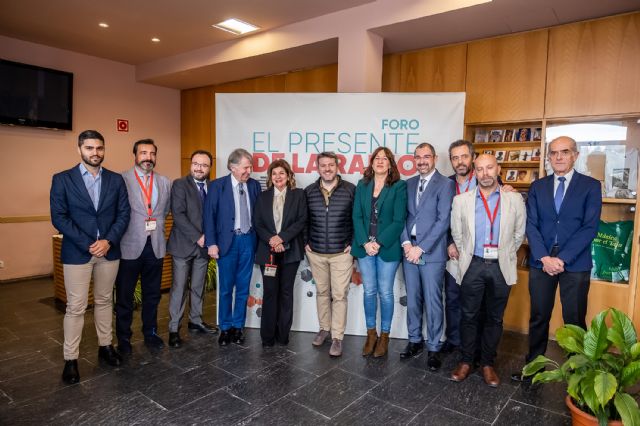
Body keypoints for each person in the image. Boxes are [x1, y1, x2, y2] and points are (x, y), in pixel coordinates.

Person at [512, 136, 602, 382]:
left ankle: (580, 374)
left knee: (574, 318)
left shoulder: (591, 186)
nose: (558, 157)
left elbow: (589, 227)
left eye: (564, 152)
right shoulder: (538, 186)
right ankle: (533, 367)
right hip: (541, 262)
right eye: (553, 153)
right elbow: (531, 224)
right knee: (539, 315)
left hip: (575, 263)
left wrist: (561, 259)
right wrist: (543, 256)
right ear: (548, 157)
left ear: (575, 155)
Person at [50, 130, 130, 384]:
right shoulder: (62, 179)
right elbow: (59, 217)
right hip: (77, 252)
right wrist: (89, 244)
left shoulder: (116, 180)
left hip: (109, 251)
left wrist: (108, 241)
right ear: (79, 150)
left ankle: (106, 346)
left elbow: (124, 214)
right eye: (90, 148)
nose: (95, 153)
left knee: (105, 300)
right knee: (76, 307)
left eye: (99, 148)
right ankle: (70, 359)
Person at [449, 154, 526, 387]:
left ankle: (487, 363)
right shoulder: (462, 200)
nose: (485, 173)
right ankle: (466, 361)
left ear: (498, 169)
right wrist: (468, 255)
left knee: (494, 317)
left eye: (489, 168)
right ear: (475, 171)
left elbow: (518, 234)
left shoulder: (514, 199)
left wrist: (505, 253)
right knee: (469, 315)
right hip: (472, 264)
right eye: (480, 169)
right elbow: (458, 233)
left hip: (500, 266)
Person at [399, 143, 454, 370]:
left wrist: (420, 248)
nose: (422, 161)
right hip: (408, 251)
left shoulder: (446, 184)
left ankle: (433, 347)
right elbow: (400, 216)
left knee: (432, 301)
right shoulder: (408, 184)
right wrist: (405, 244)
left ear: (435, 158)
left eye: (426, 156)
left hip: (430, 253)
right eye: (418, 157)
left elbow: (443, 221)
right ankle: (414, 341)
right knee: (413, 299)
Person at [115, 139, 171, 353]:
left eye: (152, 153)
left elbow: (163, 211)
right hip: (129, 245)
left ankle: (151, 332)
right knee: (125, 295)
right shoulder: (121, 179)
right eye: (143, 153)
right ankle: (124, 338)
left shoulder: (165, 182)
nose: (148, 157)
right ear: (135, 155)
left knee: (152, 294)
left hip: (155, 245)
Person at [351, 147, 407, 358]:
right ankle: (370, 334)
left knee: (385, 292)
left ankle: (385, 336)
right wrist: (365, 242)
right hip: (364, 248)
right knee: (369, 292)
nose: (381, 161)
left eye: (385, 159)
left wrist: (379, 243)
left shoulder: (399, 186)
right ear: (372, 162)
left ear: (391, 164)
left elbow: (398, 220)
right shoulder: (362, 185)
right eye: (377, 158)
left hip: (387, 248)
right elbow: (356, 216)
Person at [204, 148, 261, 346]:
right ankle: (225, 328)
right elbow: (209, 217)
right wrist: (211, 243)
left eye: (250, 167)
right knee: (226, 289)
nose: (249, 171)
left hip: (248, 240)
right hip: (226, 243)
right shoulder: (217, 186)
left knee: (243, 288)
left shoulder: (254, 186)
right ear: (232, 167)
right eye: (246, 167)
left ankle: (238, 327)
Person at [305, 152, 355, 357]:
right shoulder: (308, 191)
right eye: (323, 165)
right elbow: (303, 219)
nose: (327, 169)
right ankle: (324, 328)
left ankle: (337, 337)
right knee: (322, 293)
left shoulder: (351, 190)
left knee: (340, 295)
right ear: (318, 168)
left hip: (341, 253)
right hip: (315, 252)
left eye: (331, 165)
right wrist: (305, 241)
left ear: (337, 167)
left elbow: (357, 218)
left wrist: (352, 242)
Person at [166, 150, 218, 349]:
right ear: (191, 164)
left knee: (198, 287)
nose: (199, 168)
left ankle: (195, 321)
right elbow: (178, 215)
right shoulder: (180, 184)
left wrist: (210, 240)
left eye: (204, 165)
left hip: (204, 249)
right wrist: (199, 237)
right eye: (196, 163)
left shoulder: (213, 187)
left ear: (209, 167)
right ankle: (173, 329)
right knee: (179, 289)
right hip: (183, 245)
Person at [253, 160, 307, 347]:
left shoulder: (298, 195)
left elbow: (301, 221)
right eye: (274, 174)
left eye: (281, 173)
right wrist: (272, 240)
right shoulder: (262, 197)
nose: (278, 177)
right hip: (267, 252)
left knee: (285, 293)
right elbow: (257, 223)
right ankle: (267, 337)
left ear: (289, 175)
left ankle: (283, 335)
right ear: (270, 177)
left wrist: (282, 238)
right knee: (269, 293)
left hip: (291, 251)